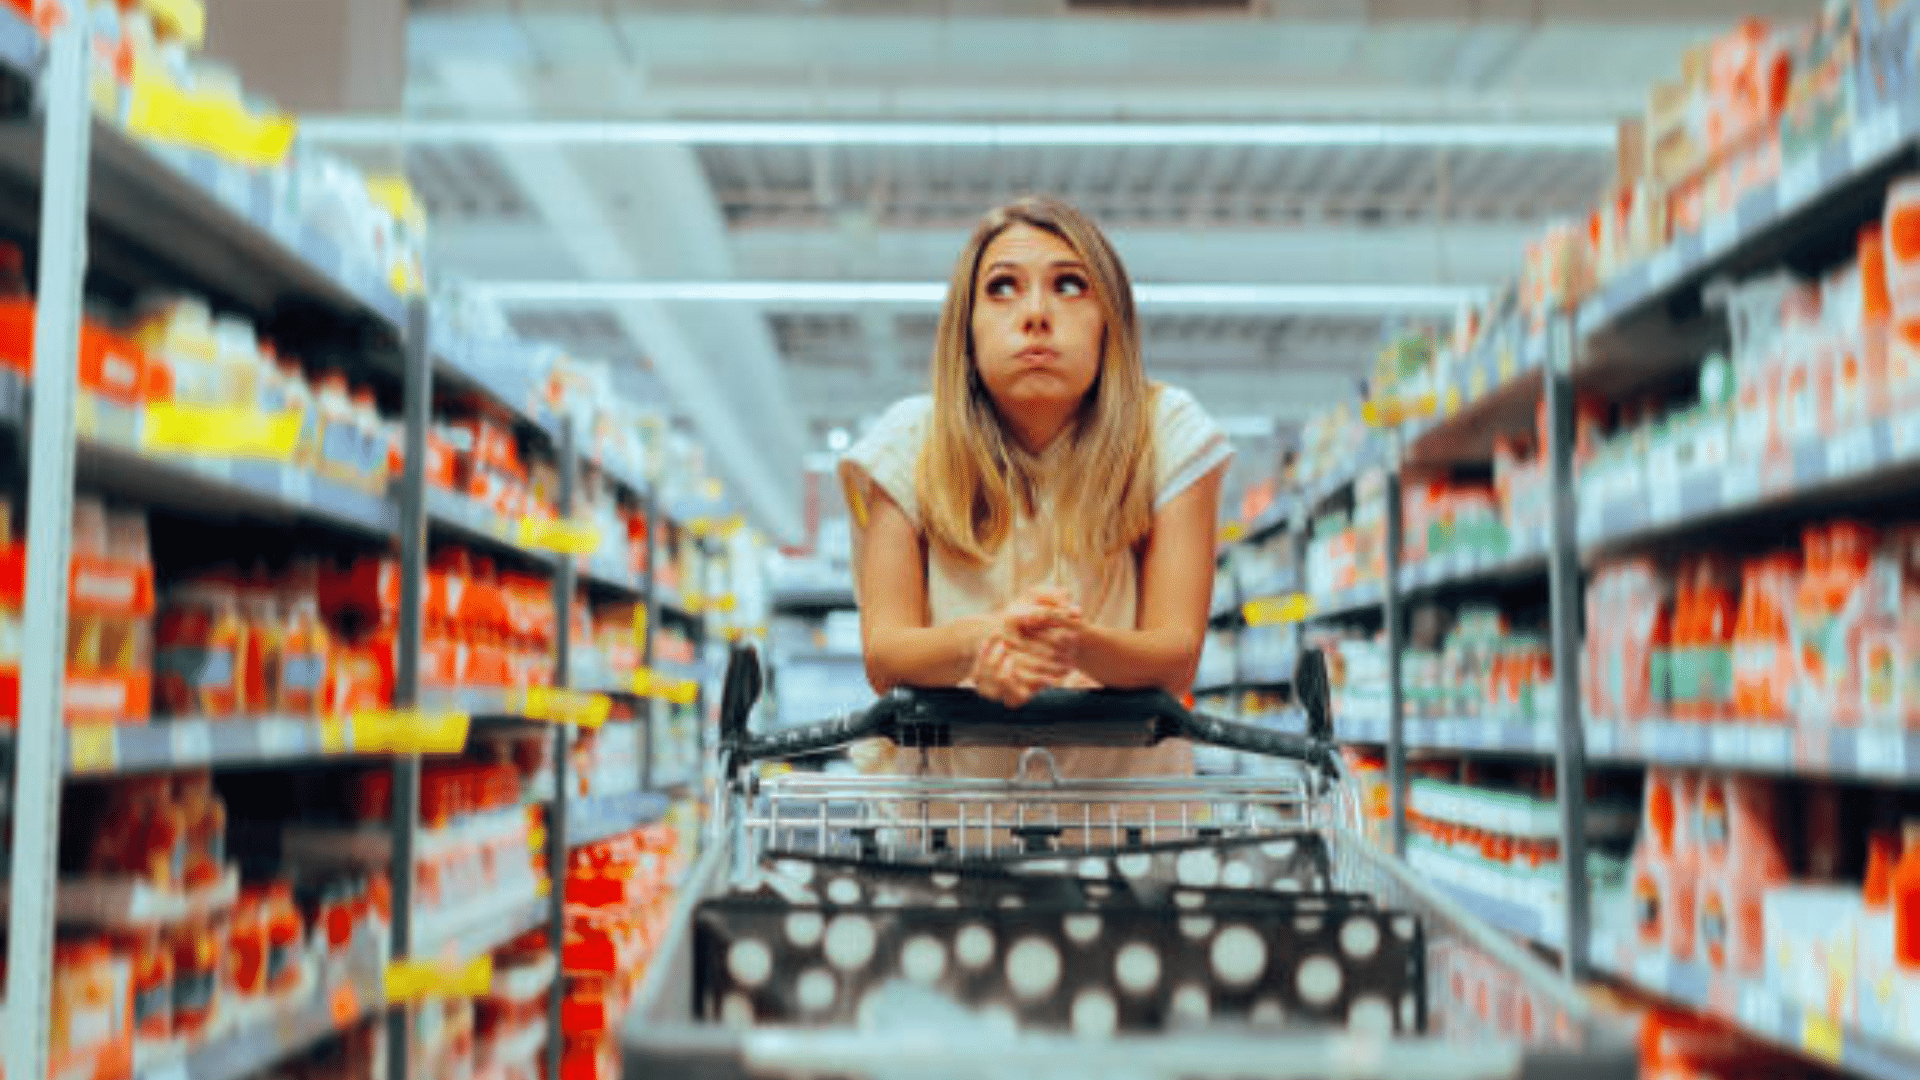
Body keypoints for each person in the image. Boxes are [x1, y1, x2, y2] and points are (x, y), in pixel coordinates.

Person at [838, 194, 1233, 782]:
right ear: (966, 332)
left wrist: (1071, 645)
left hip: (1123, 819)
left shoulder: (1168, 433)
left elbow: (1176, 655)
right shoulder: (908, 442)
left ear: (1110, 322)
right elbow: (886, 652)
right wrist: (985, 641)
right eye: (1002, 288)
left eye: (1070, 285)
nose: (1036, 314)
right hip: (946, 821)